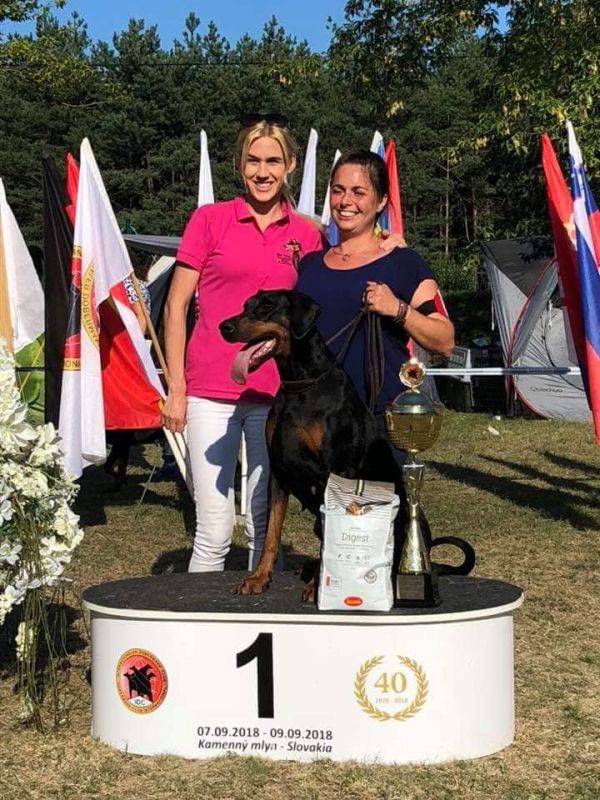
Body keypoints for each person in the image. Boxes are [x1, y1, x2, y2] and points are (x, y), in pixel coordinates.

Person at [161, 115, 324, 573]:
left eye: (273, 161)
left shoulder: (307, 234)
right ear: (239, 165)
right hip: (208, 391)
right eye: (253, 161)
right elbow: (175, 306)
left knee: (262, 524)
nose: (262, 171)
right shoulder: (209, 220)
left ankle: (258, 605)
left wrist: (386, 243)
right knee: (213, 531)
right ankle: (199, 616)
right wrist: (176, 389)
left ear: (290, 165)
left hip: (275, 397)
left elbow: (329, 291)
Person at [296, 149, 454, 451]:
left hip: (375, 422)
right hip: (313, 421)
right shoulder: (309, 265)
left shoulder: (403, 263)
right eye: (338, 190)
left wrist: (398, 309)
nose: (345, 201)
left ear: (381, 201)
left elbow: (445, 340)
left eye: (359, 192)